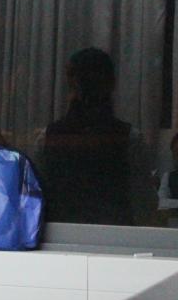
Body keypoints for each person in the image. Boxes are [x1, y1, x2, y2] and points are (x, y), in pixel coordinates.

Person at [40, 48, 150, 226]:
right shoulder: (129, 138)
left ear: (72, 85)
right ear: (111, 84)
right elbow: (144, 204)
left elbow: (37, 198)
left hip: (62, 235)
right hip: (114, 236)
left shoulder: (49, 137)